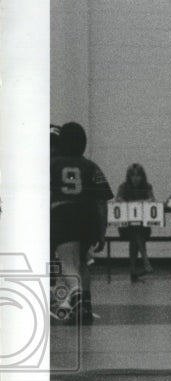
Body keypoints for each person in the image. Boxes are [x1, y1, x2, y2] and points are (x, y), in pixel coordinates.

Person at [50, 122, 113, 324]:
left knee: (68, 263)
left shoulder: (51, 164)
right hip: (88, 215)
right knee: (82, 262)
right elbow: (102, 201)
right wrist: (101, 230)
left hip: (63, 213)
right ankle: (85, 307)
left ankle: (77, 296)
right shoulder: (91, 166)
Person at [115, 163, 156, 283]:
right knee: (135, 230)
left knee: (136, 231)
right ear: (129, 177)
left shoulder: (147, 186)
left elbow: (152, 200)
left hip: (143, 227)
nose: (136, 178)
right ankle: (145, 260)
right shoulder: (123, 186)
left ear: (142, 177)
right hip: (125, 227)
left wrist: (138, 202)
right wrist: (133, 204)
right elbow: (118, 199)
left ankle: (133, 269)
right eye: (133, 175)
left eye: (138, 175)